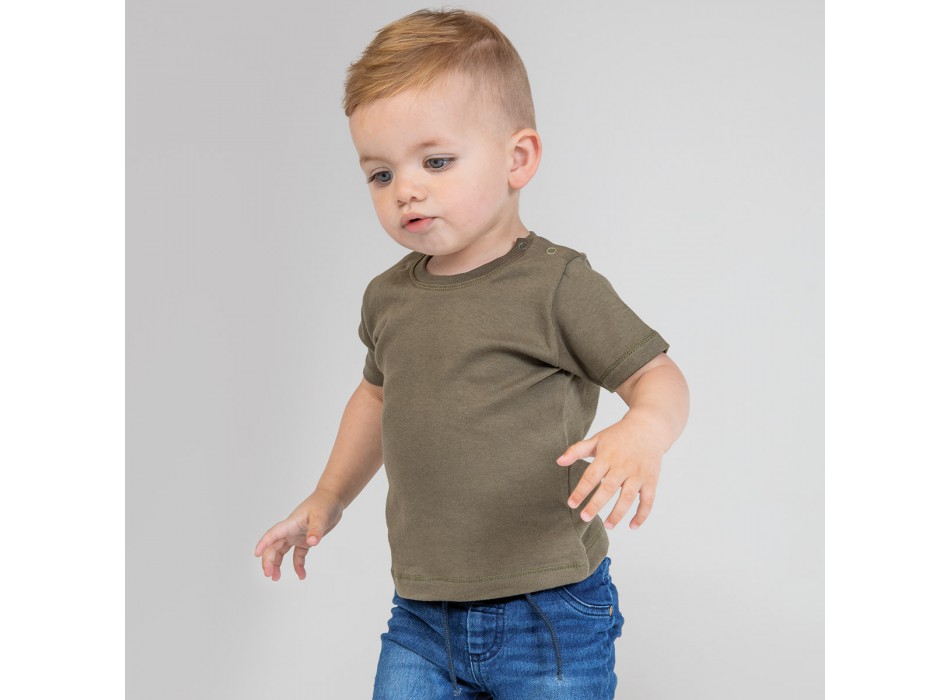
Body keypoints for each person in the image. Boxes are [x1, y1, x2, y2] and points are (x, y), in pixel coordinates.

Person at [254, 8, 690, 699]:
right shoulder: (388, 298)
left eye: (436, 162)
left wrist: (645, 428)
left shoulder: (557, 284)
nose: (406, 189)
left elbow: (656, 375)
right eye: (380, 174)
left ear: (518, 159)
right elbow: (375, 398)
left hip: (549, 611)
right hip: (421, 615)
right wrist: (328, 497)